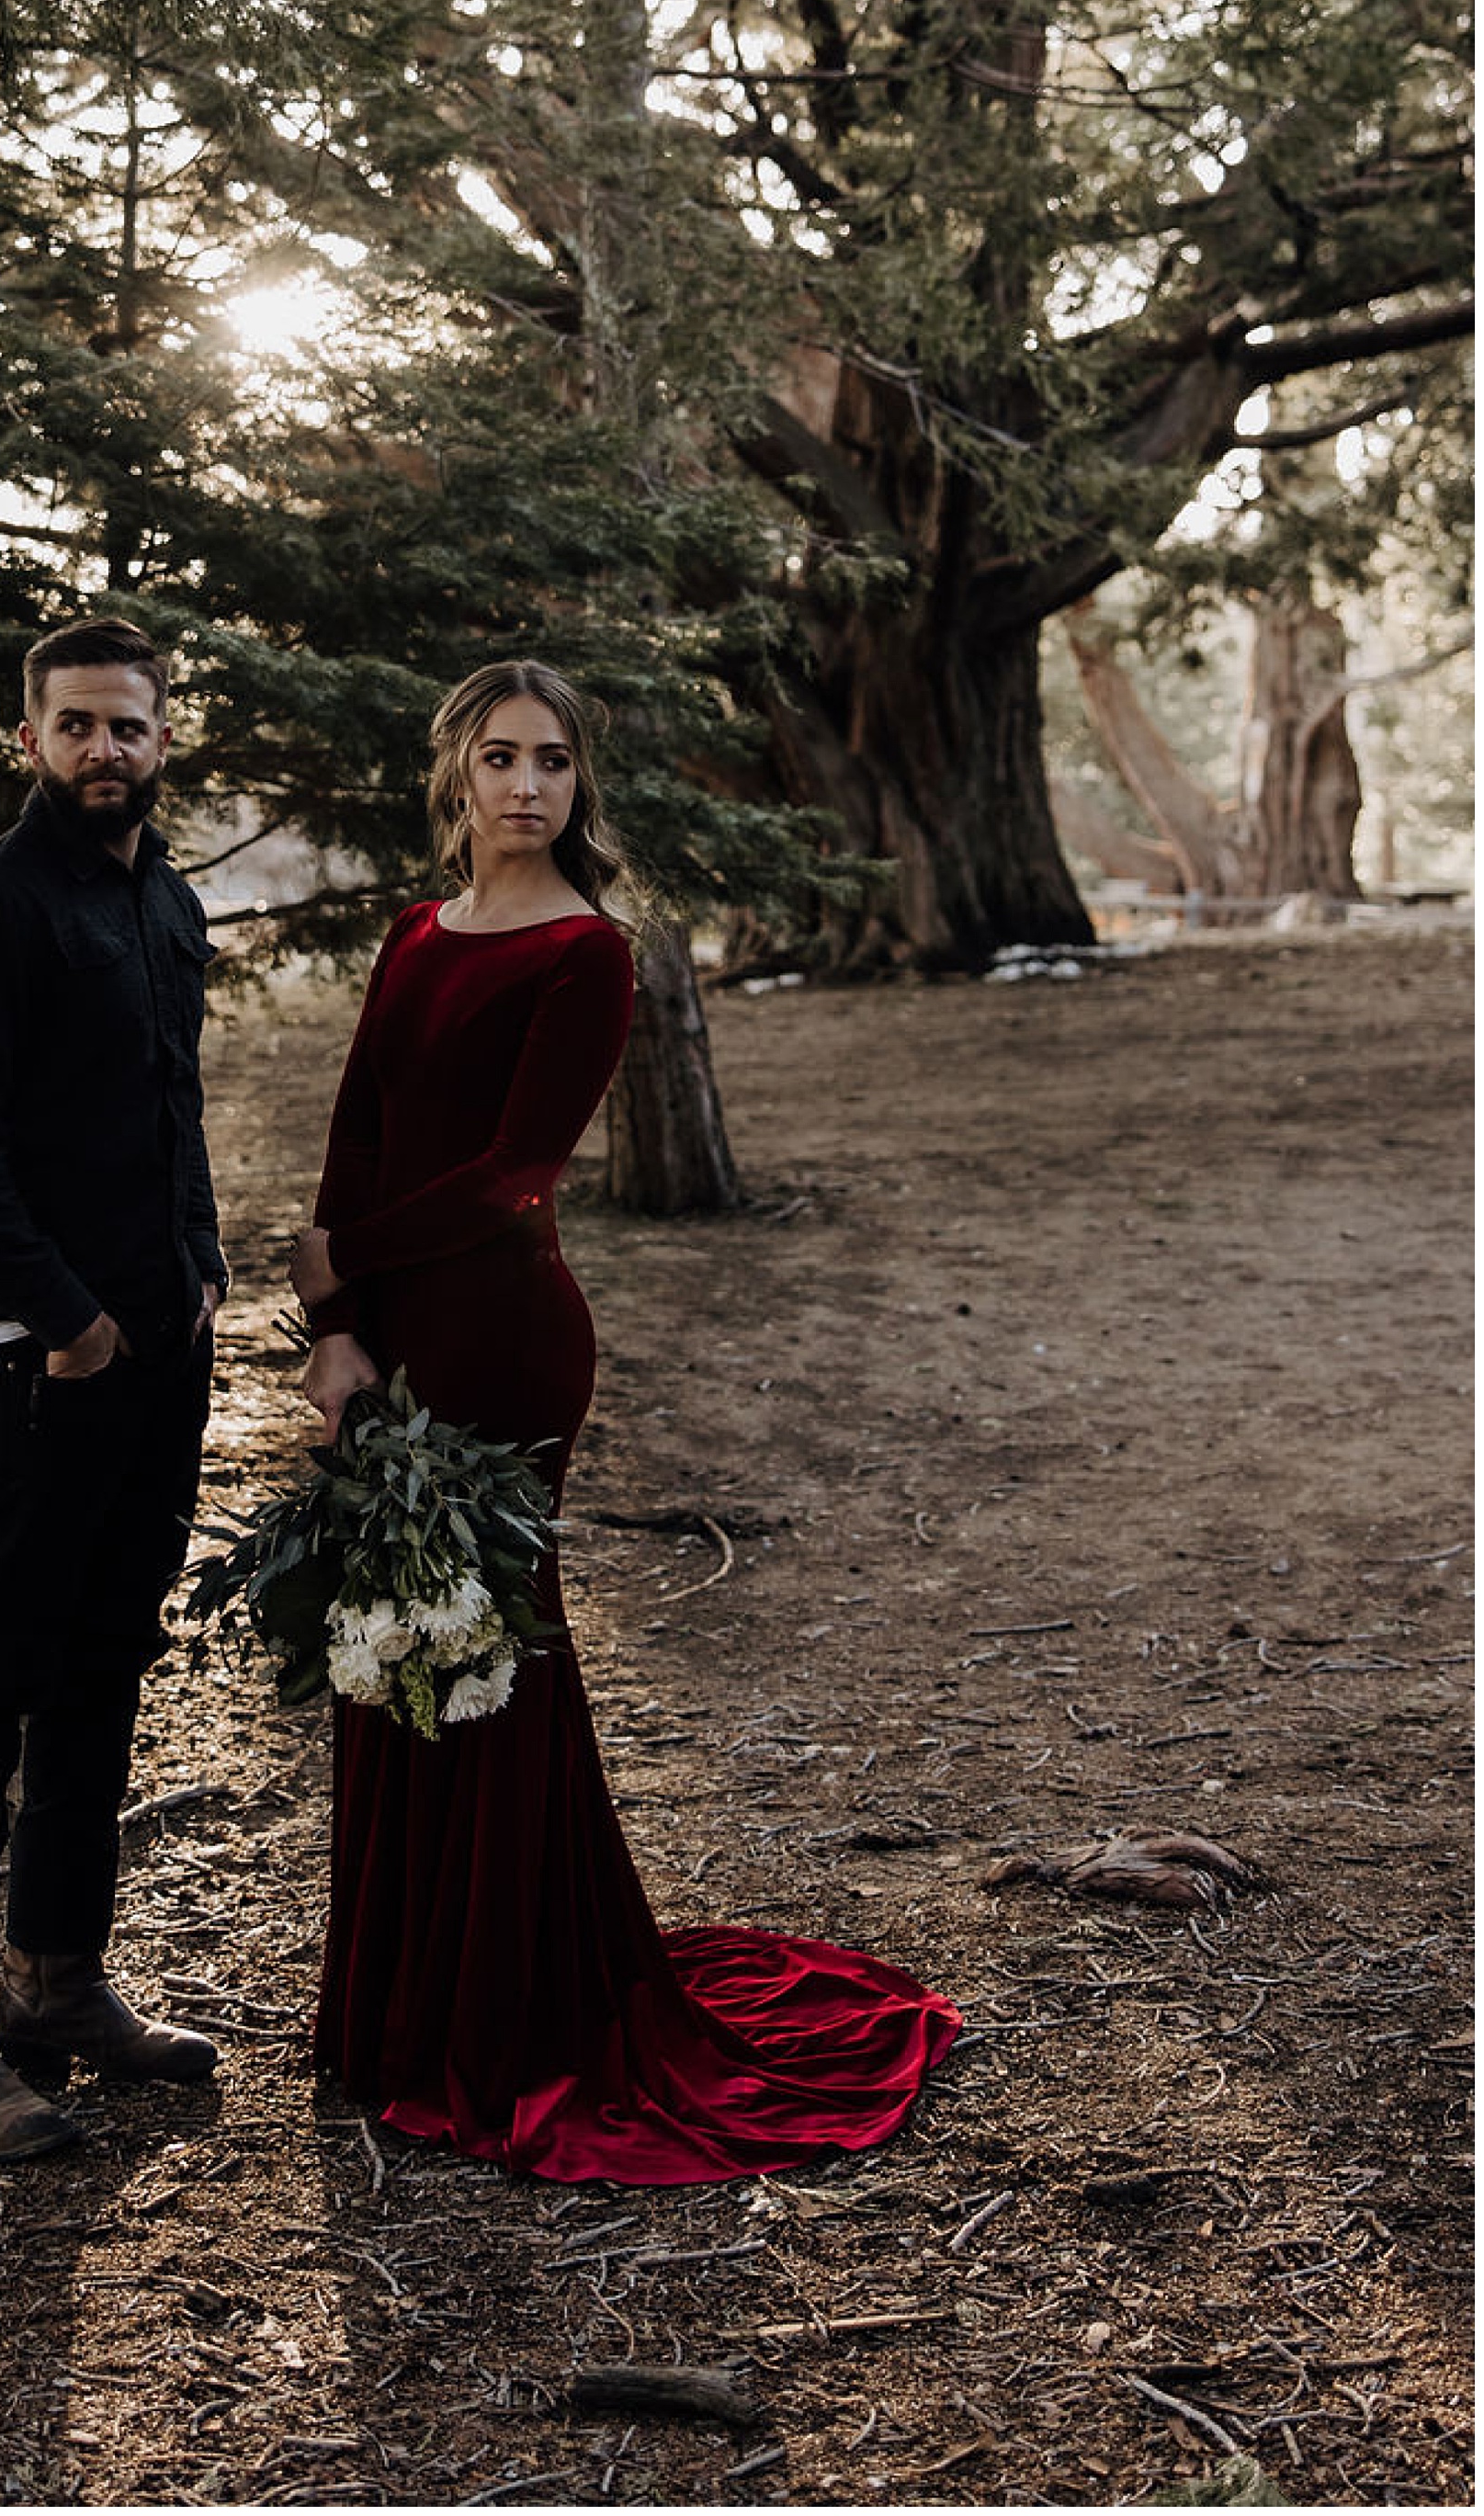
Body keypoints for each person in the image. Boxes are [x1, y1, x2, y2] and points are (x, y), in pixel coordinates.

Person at [288, 657, 958, 2184]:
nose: (527, 785)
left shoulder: (590, 953)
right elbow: (358, 1135)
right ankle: (399, 2011)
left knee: (487, 1660)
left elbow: (514, 1175)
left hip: (506, 1346)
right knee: (389, 1658)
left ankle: (509, 2014)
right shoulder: (414, 936)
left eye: (554, 761)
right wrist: (335, 1330)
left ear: (581, 782)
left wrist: (345, 1260)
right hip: (390, 1344)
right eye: (501, 757)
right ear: (457, 772)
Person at [0, 615, 224, 2162]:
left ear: (163, 737)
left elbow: (170, 1110)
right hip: (35, 1371)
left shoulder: (167, 900)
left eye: (127, 726)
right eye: (75, 726)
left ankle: (57, 1983)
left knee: (103, 1667)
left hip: (161, 1363)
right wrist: (72, 1321)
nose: (104, 749)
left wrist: (199, 1264)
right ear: (30, 739)